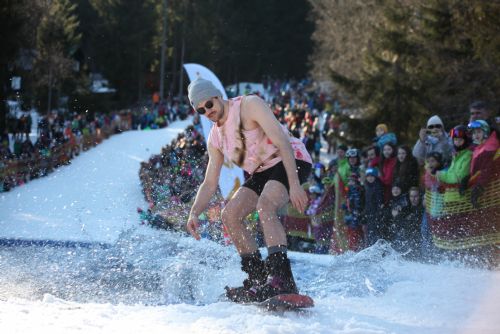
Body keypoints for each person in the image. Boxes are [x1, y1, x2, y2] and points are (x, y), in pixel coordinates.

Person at [185, 78, 312, 303]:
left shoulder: (248, 105)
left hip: (290, 158)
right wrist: (194, 212)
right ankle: (258, 280)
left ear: (218, 96)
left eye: (209, 105)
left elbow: (283, 142)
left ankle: (283, 280)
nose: (208, 112)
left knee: (266, 205)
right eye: (201, 110)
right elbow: (210, 181)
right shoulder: (214, 137)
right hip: (262, 171)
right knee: (230, 215)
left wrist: (294, 184)